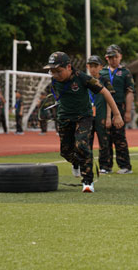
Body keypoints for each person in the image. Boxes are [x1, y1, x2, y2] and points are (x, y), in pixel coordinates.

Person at [45, 51, 124, 193]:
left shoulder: (83, 78)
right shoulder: (54, 80)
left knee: (82, 145)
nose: (55, 74)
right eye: (52, 71)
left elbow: (105, 92)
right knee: (65, 152)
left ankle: (87, 181)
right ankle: (76, 163)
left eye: (58, 71)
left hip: (84, 117)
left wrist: (117, 114)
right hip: (64, 118)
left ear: (69, 67)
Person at [100, 44, 134, 174]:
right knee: (104, 137)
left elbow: (129, 92)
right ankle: (105, 166)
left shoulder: (125, 72)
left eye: (115, 57)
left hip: (119, 107)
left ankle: (125, 166)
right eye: (110, 57)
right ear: (106, 58)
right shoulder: (102, 72)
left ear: (120, 57)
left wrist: (128, 111)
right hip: (103, 108)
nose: (113, 59)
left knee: (119, 137)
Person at [86, 55, 115, 174]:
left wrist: (108, 117)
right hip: (87, 116)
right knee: (86, 142)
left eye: (95, 66)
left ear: (101, 67)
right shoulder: (85, 80)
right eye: (90, 66)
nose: (93, 69)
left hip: (101, 115)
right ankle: (87, 166)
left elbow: (109, 99)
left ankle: (105, 166)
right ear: (87, 67)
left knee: (104, 142)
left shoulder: (105, 81)